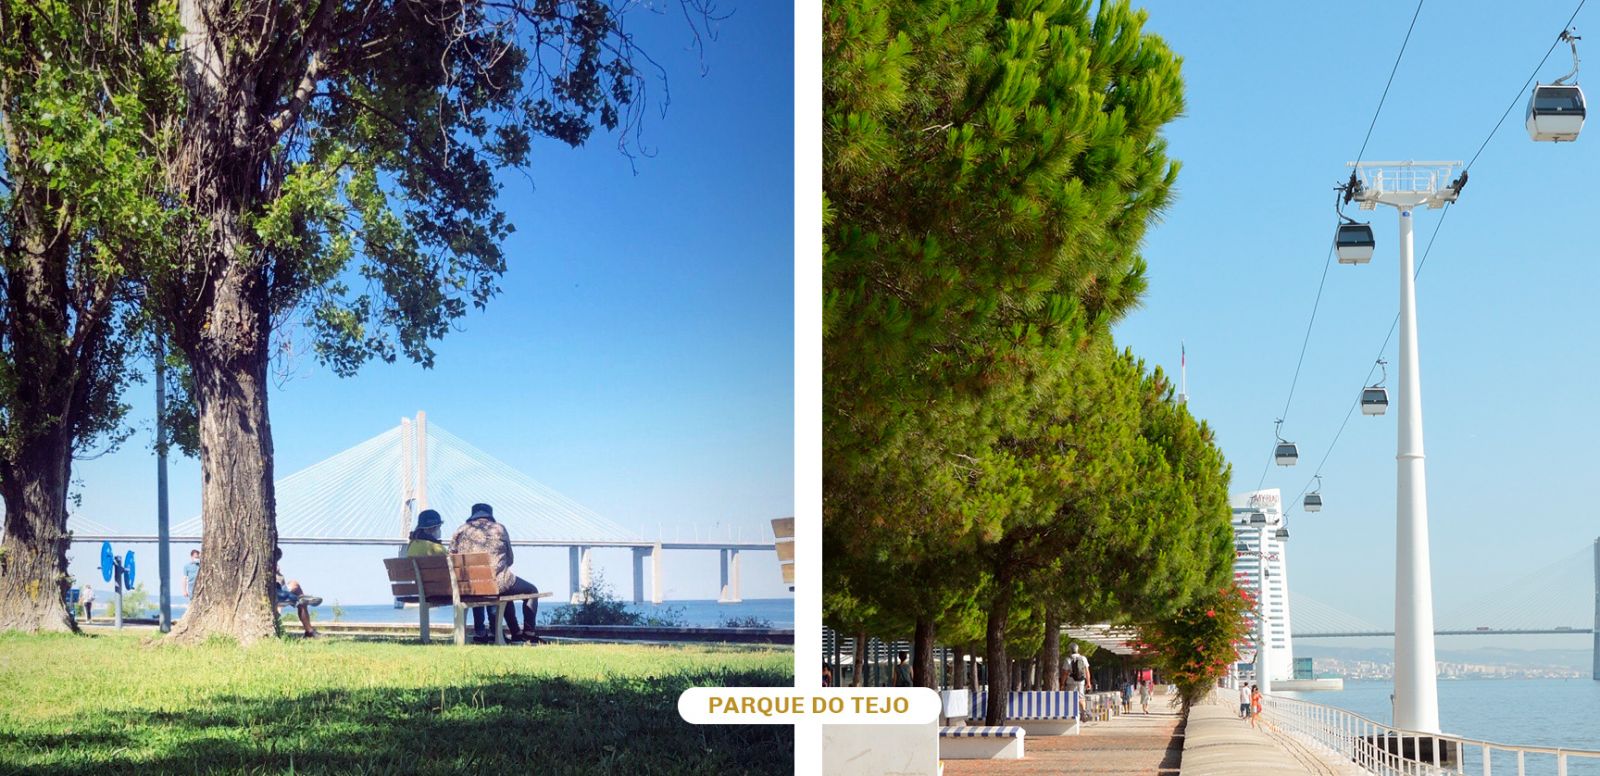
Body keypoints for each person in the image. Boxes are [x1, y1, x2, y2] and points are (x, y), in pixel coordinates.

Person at [451, 503, 542, 644]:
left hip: (469, 585)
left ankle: (515, 632)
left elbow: (452, 558)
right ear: (489, 516)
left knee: (505, 591)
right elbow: (510, 559)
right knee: (531, 591)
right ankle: (529, 633)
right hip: (498, 582)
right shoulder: (499, 529)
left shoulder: (460, 531)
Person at [272, 548, 321, 638]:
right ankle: (301, 601)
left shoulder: (274, 565)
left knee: (295, 587)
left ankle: (301, 601)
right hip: (277, 592)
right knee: (295, 584)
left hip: (281, 590)